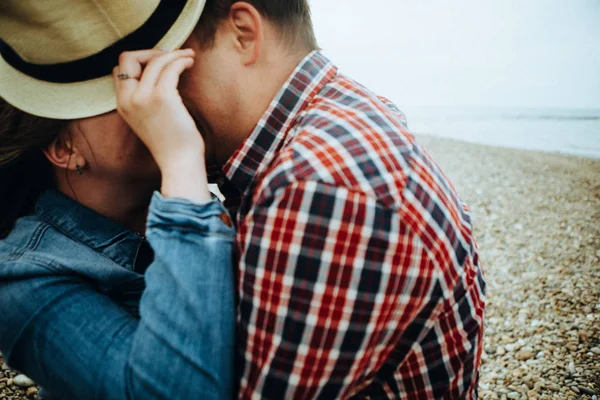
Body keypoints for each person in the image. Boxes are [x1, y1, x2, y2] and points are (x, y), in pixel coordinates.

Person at [2, 1, 486, 399]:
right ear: (61, 145)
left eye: (163, 65)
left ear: (244, 32)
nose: (151, 97)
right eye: (121, 84)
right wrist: (182, 165)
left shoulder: (315, 189)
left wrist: (182, 161)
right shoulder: (302, 156)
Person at [0, 1, 235, 399]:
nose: (160, 97)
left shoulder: (206, 200)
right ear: (63, 147)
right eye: (125, 86)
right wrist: (179, 157)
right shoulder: (21, 277)